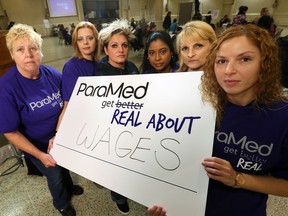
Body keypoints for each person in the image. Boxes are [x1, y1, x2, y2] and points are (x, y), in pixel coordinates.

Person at [148, 24, 288, 216]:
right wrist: (159, 197)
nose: (229, 70)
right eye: (221, 61)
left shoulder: (281, 116)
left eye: (244, 59)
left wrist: (237, 178)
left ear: (265, 63)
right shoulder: (196, 104)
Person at [0, 23, 83, 216]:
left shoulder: (52, 74)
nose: (28, 54)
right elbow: (10, 132)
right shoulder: (6, 88)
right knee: (54, 176)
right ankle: (61, 203)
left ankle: (70, 188)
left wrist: (60, 135)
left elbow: (66, 103)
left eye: (33, 48)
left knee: (65, 167)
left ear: (40, 51)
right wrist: (40, 155)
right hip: (37, 146)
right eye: (20, 49)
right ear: (12, 54)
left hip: (60, 136)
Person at [97, 18, 139, 214]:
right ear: (106, 50)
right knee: (116, 167)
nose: (121, 50)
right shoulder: (100, 74)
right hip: (113, 130)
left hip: (134, 126)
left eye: (124, 45)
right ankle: (118, 196)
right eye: (114, 46)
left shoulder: (132, 67)